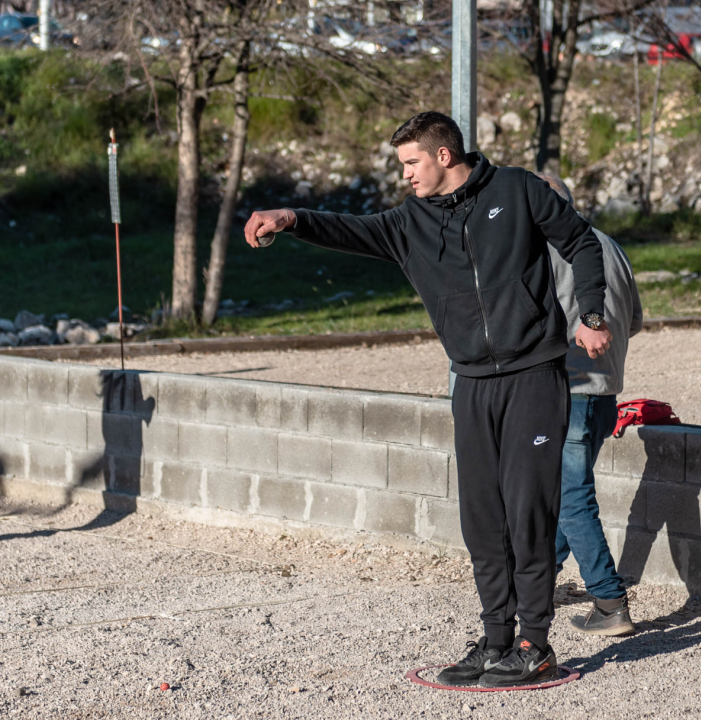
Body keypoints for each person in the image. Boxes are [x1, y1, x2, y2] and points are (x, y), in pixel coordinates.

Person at [244, 112, 611, 688]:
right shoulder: (408, 222)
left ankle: (535, 644)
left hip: (535, 376)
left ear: (444, 156)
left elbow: (582, 243)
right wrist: (289, 218)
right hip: (471, 383)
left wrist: (590, 314)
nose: (406, 176)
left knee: (528, 511)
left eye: (411, 163)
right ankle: (496, 641)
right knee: (483, 519)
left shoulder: (518, 191)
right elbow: (347, 229)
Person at [536, 173, 641, 636]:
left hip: (569, 389)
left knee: (571, 498)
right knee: (565, 493)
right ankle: (540, 585)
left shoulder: (550, 250)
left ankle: (608, 600)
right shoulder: (610, 245)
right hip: (606, 393)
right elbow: (633, 321)